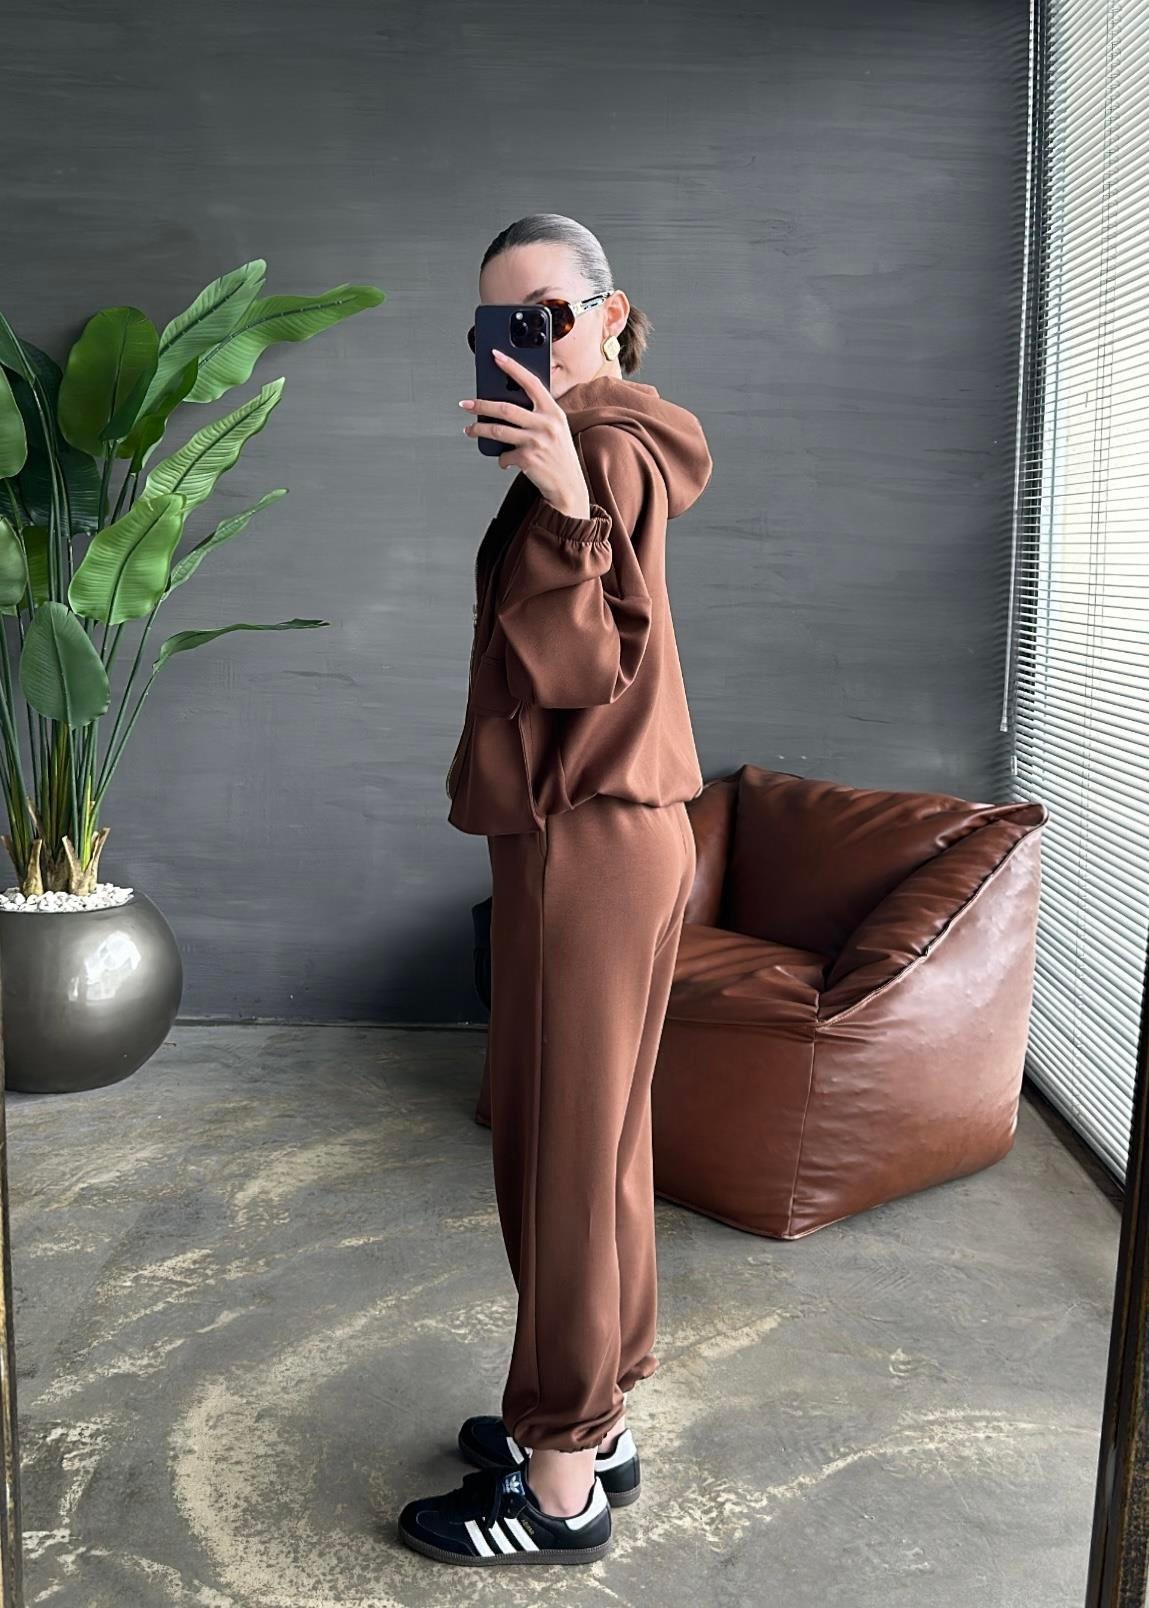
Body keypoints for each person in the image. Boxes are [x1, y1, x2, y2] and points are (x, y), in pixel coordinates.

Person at [398, 212, 713, 1568]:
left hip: (587, 840)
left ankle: (560, 1485)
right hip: (606, 835)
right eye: (503, 322)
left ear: (611, 313)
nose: (533, 341)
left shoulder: (607, 450)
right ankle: (599, 1421)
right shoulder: (598, 442)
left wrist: (569, 503)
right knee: (599, 1143)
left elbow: (582, 661)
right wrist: (557, 489)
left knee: (562, 1159)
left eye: (552, 314)